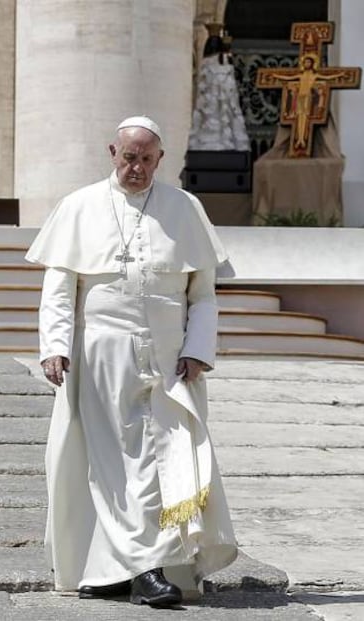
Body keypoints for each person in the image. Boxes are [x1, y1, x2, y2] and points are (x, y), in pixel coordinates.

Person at [26, 116, 237, 607]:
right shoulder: (78, 207)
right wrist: (54, 346)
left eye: (146, 159)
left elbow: (203, 296)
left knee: (167, 458)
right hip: (99, 357)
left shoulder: (185, 209)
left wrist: (198, 349)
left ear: (160, 160)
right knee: (114, 464)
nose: (136, 167)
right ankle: (138, 569)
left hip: (169, 361)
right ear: (111, 152)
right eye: (128, 157)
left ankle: (129, 570)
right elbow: (58, 292)